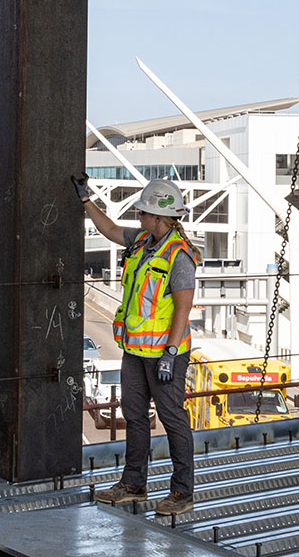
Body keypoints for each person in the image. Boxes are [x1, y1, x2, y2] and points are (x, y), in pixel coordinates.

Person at [72, 174, 198, 516]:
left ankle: (182, 492)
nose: (139, 216)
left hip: (163, 355)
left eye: (144, 212)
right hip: (136, 352)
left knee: (173, 419)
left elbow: (183, 310)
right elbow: (110, 230)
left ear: (159, 217)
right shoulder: (142, 242)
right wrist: (86, 201)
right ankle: (134, 484)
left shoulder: (179, 257)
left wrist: (171, 354)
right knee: (135, 416)